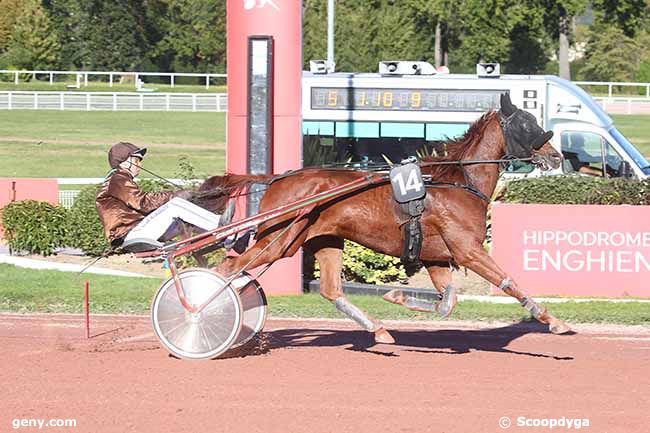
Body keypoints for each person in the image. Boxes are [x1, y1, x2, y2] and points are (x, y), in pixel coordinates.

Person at [96, 142, 224, 252]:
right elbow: (142, 203)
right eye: (136, 160)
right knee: (175, 205)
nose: (139, 164)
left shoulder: (118, 180)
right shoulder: (118, 179)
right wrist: (172, 196)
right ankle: (220, 224)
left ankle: (226, 236)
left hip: (138, 232)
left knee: (187, 219)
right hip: (133, 234)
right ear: (124, 162)